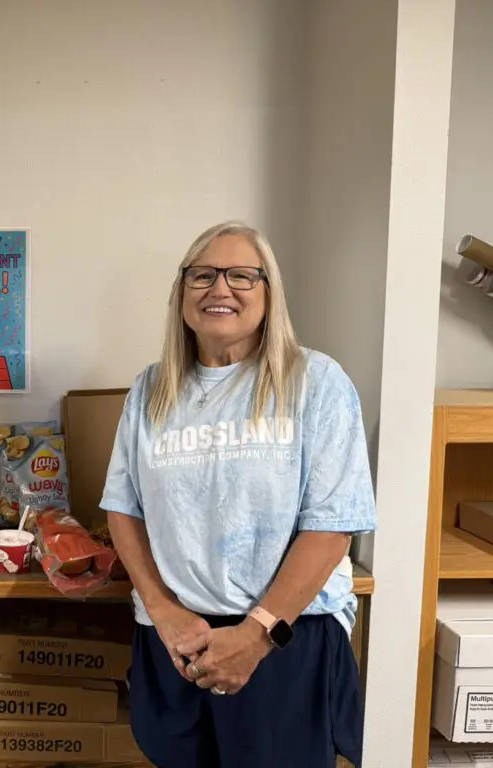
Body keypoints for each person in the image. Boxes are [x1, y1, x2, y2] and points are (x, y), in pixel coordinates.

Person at [101, 221, 376, 768]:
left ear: (269, 293)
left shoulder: (315, 382)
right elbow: (123, 510)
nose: (219, 289)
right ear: (182, 292)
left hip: (285, 638)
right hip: (178, 639)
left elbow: (332, 526)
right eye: (202, 275)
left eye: (242, 276)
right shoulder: (151, 389)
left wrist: (256, 635)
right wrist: (164, 611)